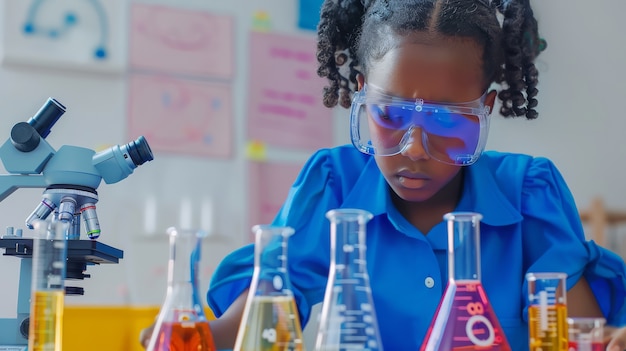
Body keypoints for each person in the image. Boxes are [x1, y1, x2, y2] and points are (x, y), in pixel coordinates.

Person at [141, 0, 626, 349]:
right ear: (360, 94)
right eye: (390, 114)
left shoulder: (528, 194)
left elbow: (587, 337)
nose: (414, 149)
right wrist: (189, 336)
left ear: (485, 109)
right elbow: (252, 318)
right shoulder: (333, 184)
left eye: (446, 118)